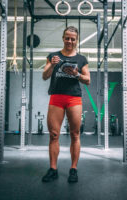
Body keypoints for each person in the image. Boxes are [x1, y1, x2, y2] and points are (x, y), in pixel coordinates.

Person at [42, 26, 90, 183]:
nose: (70, 41)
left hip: (74, 98)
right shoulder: (53, 56)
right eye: (67, 38)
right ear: (63, 38)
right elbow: (45, 76)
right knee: (54, 135)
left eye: (73, 39)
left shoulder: (81, 59)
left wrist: (76, 74)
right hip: (56, 97)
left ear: (76, 41)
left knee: (75, 134)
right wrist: (52, 65)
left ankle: (73, 169)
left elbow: (88, 80)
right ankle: (53, 169)